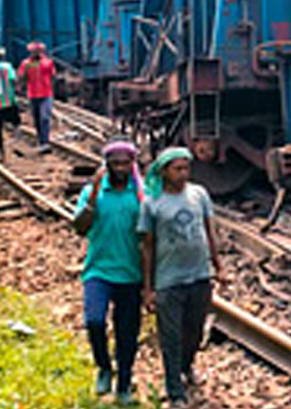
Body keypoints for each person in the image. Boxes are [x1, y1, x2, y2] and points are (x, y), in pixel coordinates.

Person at [138, 148, 226, 409]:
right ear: (164, 171)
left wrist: (219, 267)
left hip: (199, 275)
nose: (183, 173)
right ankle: (174, 389)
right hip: (169, 280)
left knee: (195, 332)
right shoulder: (151, 202)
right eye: (177, 169)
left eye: (186, 168)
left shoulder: (199, 194)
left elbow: (210, 232)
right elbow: (147, 247)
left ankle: (187, 366)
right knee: (171, 337)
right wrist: (148, 288)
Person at [73, 139, 146, 405]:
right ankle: (104, 366)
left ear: (132, 165)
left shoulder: (140, 194)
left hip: (131, 273)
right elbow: (79, 227)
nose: (120, 168)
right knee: (94, 321)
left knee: (128, 333)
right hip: (98, 270)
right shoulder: (93, 192)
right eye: (115, 164)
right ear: (106, 166)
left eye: (125, 163)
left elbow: (149, 237)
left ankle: (124, 382)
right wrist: (92, 196)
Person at [18, 41, 56, 153]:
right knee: (37, 119)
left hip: (46, 94)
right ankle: (41, 140)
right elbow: (22, 78)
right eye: (34, 52)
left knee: (45, 117)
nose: (36, 53)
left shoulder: (48, 62)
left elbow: (53, 76)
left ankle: (45, 142)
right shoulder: (26, 63)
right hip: (33, 94)